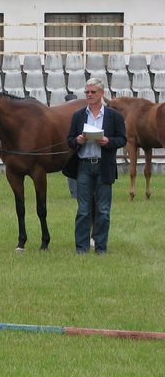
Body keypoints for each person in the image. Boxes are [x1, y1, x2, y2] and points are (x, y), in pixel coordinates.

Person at [63, 78, 126, 255]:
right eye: (87, 92)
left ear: (101, 94)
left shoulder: (114, 116)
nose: (89, 95)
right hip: (84, 166)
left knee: (103, 210)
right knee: (83, 210)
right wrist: (78, 140)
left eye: (93, 92)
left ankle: (101, 248)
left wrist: (108, 141)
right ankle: (81, 249)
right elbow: (69, 140)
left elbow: (122, 139)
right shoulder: (78, 116)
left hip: (103, 166)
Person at [63, 91, 79, 200]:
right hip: (71, 145)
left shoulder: (80, 113)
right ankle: (74, 192)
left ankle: (75, 192)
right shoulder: (64, 115)